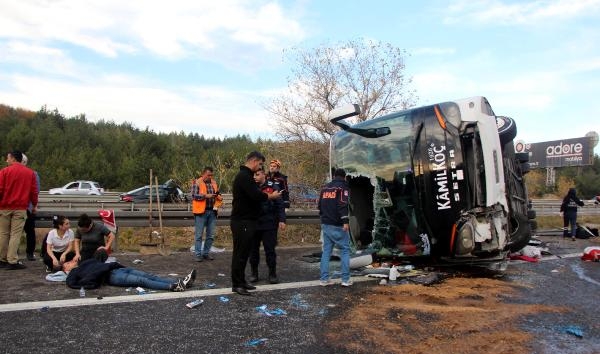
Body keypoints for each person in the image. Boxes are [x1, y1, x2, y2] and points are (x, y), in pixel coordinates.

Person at [230, 151, 282, 295]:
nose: (259, 167)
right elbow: (256, 195)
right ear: (253, 161)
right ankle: (237, 284)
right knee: (240, 254)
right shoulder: (244, 177)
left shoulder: (246, 176)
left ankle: (242, 281)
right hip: (242, 221)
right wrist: (271, 196)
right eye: (259, 164)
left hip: (248, 221)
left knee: (245, 253)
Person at [66, 249, 196, 291]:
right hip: (111, 277)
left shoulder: (86, 262)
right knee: (141, 280)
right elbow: (72, 284)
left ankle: (180, 282)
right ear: (65, 268)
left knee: (149, 275)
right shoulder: (73, 273)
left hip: (118, 269)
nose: (72, 262)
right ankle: (172, 286)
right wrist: (91, 284)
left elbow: (100, 260)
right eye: (68, 263)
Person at [0, 150, 39, 270]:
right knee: (15, 234)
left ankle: (2, 259)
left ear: (13, 158)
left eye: (8, 158)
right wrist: (34, 205)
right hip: (21, 208)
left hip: (4, 207)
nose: (7, 160)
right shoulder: (30, 173)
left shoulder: (4, 172)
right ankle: (12, 260)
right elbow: (34, 191)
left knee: (3, 234)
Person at [249, 168, 286, 284]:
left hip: (269, 223)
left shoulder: (273, 186)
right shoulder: (250, 187)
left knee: (270, 250)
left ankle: (272, 273)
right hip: (254, 224)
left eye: (257, 174)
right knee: (253, 251)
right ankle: (254, 273)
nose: (254, 177)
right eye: (253, 175)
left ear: (264, 175)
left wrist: (282, 220)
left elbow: (280, 204)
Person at [318, 168, 352, 287]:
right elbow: (342, 204)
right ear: (344, 177)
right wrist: (345, 221)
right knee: (345, 250)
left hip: (325, 223)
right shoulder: (343, 187)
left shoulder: (325, 188)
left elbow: (320, 206)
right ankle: (346, 280)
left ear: (334, 176)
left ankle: (324, 279)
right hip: (337, 224)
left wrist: (323, 219)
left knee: (326, 251)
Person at [191, 167, 223, 262]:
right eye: (208, 175)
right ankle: (197, 254)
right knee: (199, 235)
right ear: (203, 174)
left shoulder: (214, 182)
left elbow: (218, 193)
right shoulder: (196, 182)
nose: (210, 177)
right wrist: (205, 196)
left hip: (212, 212)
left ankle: (205, 253)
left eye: (211, 175)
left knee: (210, 235)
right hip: (201, 212)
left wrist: (219, 197)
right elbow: (193, 195)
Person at [21, 154, 40, 261]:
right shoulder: (33, 174)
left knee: (29, 231)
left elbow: (35, 191)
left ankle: (29, 252)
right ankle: (28, 253)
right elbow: (36, 191)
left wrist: (34, 205)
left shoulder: (33, 174)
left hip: (26, 206)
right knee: (29, 231)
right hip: (27, 206)